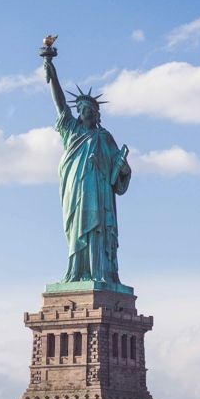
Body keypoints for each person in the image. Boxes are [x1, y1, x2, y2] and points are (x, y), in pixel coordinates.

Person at [42, 48, 131, 284]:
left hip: (99, 194)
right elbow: (60, 104)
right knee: (76, 229)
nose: (84, 113)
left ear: (96, 114)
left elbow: (119, 174)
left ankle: (100, 273)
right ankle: (76, 272)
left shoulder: (104, 137)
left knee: (98, 230)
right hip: (75, 190)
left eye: (89, 111)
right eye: (81, 110)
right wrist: (52, 72)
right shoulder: (71, 129)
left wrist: (122, 167)